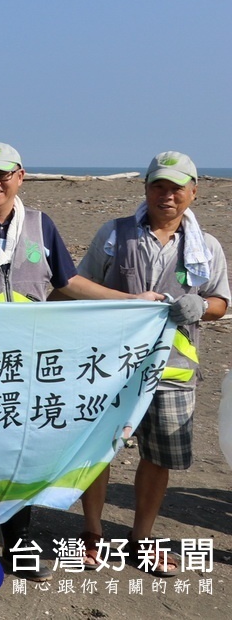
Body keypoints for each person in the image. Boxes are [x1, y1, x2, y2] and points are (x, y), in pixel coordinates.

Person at [0, 142, 164, 582]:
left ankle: (19, 547)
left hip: (25, 366)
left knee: (20, 456)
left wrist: (134, 302)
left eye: (1, 174)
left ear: (20, 176)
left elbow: (68, 283)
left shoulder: (40, 225)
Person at [75, 152, 228, 576]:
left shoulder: (207, 247)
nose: (168, 194)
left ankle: (142, 538)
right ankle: (92, 533)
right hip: (111, 370)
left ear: (194, 191)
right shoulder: (114, 235)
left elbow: (220, 301)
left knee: (158, 458)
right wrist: (126, 301)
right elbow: (77, 283)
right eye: (159, 186)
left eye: (177, 187)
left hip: (174, 373)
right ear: (145, 189)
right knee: (100, 453)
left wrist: (203, 306)